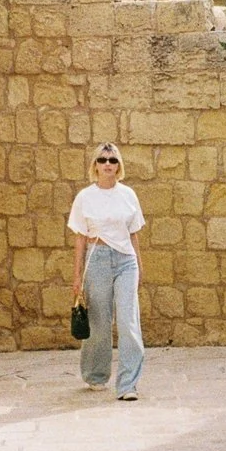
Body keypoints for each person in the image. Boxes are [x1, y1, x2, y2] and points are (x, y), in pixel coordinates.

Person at [67, 142, 145, 400]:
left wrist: (139, 266)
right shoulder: (85, 197)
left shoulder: (128, 195)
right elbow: (80, 237)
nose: (108, 164)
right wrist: (77, 276)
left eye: (113, 160)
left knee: (128, 321)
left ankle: (128, 385)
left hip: (125, 260)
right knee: (99, 323)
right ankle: (96, 375)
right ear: (95, 165)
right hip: (97, 258)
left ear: (119, 165)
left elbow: (133, 233)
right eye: (103, 160)